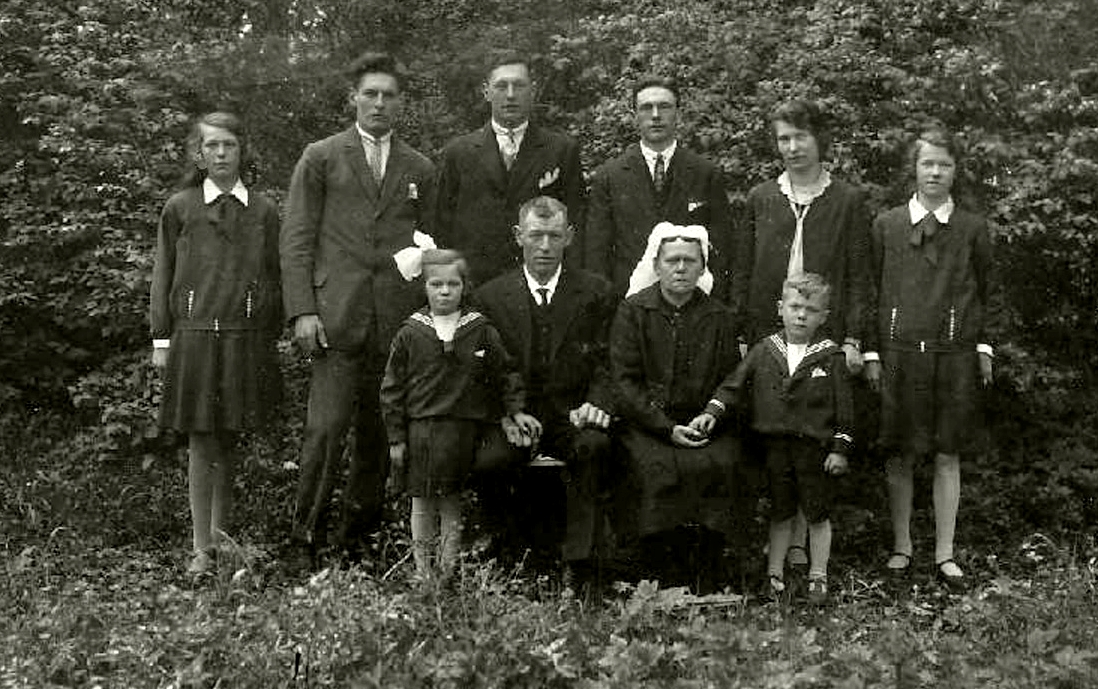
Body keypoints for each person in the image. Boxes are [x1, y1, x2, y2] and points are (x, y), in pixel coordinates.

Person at [281, 52, 437, 568]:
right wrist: (303, 310)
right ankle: (304, 539)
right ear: (353, 98)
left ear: (401, 103)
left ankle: (357, 541)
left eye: (389, 95)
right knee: (325, 431)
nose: (379, 103)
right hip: (336, 318)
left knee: (378, 434)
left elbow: (430, 244)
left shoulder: (419, 167)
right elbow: (297, 238)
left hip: (394, 322)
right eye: (370, 93)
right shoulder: (321, 156)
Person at [741, 99, 872, 572]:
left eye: (801, 137)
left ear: (820, 140)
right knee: (779, 437)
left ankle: (804, 543)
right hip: (772, 336)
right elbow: (743, 270)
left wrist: (854, 338)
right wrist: (743, 333)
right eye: (784, 139)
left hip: (822, 334)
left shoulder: (847, 201)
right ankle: (786, 541)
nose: (792, 147)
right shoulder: (761, 198)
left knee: (811, 436)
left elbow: (859, 276)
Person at [150, 112, 282, 574]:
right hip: (195, 336)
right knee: (201, 442)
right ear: (198, 154)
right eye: (212, 146)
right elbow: (163, 272)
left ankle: (221, 539)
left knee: (228, 439)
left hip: (244, 339)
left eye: (229, 145)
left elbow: (274, 276)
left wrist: (266, 328)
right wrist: (161, 337)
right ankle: (200, 549)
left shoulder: (263, 211)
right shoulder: (180, 208)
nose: (221, 153)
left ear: (242, 151)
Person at [864, 127, 994, 591]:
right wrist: (872, 350)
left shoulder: (972, 228)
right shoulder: (887, 225)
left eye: (944, 164)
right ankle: (902, 546)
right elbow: (870, 290)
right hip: (899, 354)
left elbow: (987, 292)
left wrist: (982, 347)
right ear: (914, 169)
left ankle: (945, 551)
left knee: (947, 452)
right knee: (899, 453)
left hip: (954, 356)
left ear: (956, 172)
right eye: (927, 164)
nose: (935, 172)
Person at [475, 196, 616, 586]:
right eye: (536, 235)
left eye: (554, 236)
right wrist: (505, 415)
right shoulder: (490, 297)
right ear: (518, 236)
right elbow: (482, 370)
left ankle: (581, 566)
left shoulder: (596, 292)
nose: (545, 246)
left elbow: (610, 361)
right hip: (516, 415)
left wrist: (596, 403)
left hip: (571, 414)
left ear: (569, 237)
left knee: (594, 447)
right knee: (491, 461)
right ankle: (509, 560)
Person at [609, 223, 745, 591]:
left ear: (702, 267)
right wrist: (664, 427)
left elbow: (732, 378)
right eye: (672, 261)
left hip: (703, 424)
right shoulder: (634, 311)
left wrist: (711, 415)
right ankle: (657, 571)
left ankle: (707, 569)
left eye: (690, 260)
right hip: (649, 424)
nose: (681, 268)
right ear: (657, 265)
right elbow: (624, 381)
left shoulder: (719, 316)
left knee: (722, 463)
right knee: (655, 468)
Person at [702, 273, 853, 604]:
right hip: (775, 448)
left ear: (824, 317)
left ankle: (818, 575)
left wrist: (840, 449)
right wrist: (712, 411)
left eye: (811, 310)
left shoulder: (831, 357)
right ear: (780, 308)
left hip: (814, 450)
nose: (801, 316)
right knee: (780, 511)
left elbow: (845, 409)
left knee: (817, 512)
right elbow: (733, 385)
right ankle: (774, 574)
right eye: (795, 307)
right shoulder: (765, 350)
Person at [380, 249, 529, 581]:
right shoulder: (410, 332)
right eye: (436, 284)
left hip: (461, 431)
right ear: (424, 287)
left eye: (453, 284)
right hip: (421, 430)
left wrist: (514, 409)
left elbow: (506, 372)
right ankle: (423, 572)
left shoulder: (479, 329)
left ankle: (447, 573)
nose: (445, 291)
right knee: (421, 502)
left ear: (465, 286)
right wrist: (396, 437)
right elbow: (391, 388)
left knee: (450, 501)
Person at [585, 75, 743, 306]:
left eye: (665, 106)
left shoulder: (706, 173)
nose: (656, 115)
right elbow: (597, 253)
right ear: (635, 115)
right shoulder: (610, 176)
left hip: (693, 306)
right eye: (646, 108)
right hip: (628, 308)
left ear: (678, 113)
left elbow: (723, 248)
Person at [435, 52, 586, 286]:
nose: (511, 94)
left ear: (532, 90)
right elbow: (443, 226)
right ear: (486, 92)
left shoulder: (561, 150)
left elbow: (576, 222)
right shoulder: (459, 152)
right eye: (501, 86)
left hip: (540, 282)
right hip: (476, 283)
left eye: (519, 85)